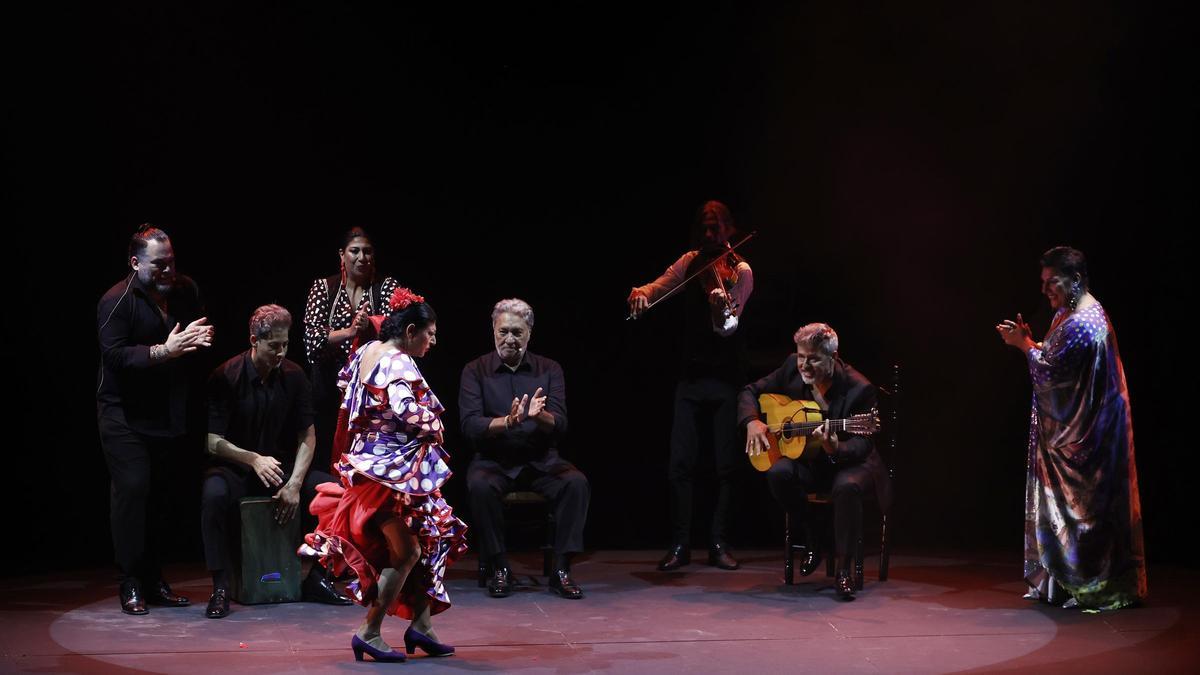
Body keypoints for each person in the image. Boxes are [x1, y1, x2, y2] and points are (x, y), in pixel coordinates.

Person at [303, 289, 467, 662]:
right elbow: (405, 408)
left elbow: (348, 391)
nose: (434, 340)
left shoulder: (366, 351)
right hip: (391, 474)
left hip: (373, 465)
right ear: (411, 330)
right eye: (430, 333)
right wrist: (432, 422)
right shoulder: (398, 362)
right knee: (408, 550)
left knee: (428, 538)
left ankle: (421, 626)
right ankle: (369, 631)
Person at [996, 246, 1147, 610]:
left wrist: (1023, 345)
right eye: (1044, 282)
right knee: (1078, 516)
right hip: (1087, 429)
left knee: (1087, 515)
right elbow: (1059, 359)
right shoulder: (1071, 310)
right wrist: (1035, 341)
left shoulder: (1083, 320)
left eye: (1053, 282)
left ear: (1076, 279)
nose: (1046, 289)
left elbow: (1051, 372)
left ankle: (1093, 588)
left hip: (1088, 437)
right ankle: (1064, 584)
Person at [201, 305, 352, 619]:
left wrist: (295, 483)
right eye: (274, 346)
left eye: (285, 344)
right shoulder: (226, 375)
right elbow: (212, 441)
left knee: (335, 493)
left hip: (281, 468)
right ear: (254, 340)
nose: (281, 352)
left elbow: (307, 436)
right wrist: (253, 459)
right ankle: (220, 585)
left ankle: (318, 576)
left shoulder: (295, 376)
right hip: (239, 467)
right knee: (213, 494)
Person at [627, 200, 752, 571]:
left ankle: (718, 542)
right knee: (680, 463)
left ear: (729, 229)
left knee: (725, 466)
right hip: (690, 378)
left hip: (726, 380)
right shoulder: (691, 260)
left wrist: (719, 310)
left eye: (717, 228)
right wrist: (642, 293)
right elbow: (660, 285)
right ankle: (680, 544)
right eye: (706, 228)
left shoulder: (741, 271)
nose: (711, 235)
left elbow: (729, 327)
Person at [96, 224, 213, 615]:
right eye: (159, 265)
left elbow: (192, 335)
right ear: (135, 263)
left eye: (172, 262)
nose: (168, 271)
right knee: (133, 489)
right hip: (123, 416)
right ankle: (129, 581)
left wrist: (196, 339)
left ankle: (153, 579)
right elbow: (114, 356)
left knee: (162, 498)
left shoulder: (184, 290)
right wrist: (164, 351)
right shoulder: (116, 301)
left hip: (166, 413)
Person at [740, 323, 891, 600]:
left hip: (850, 465)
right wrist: (752, 422)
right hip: (811, 464)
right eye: (800, 356)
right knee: (778, 473)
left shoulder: (860, 388)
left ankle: (843, 571)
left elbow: (863, 443)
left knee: (846, 487)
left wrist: (836, 447)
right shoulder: (790, 366)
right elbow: (750, 391)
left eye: (813, 359)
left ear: (832, 358)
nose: (803, 365)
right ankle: (813, 532)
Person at [460, 298, 589, 599]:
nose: (510, 339)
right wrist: (508, 421)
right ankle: (499, 566)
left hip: (540, 460)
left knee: (576, 483)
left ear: (529, 333)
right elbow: (470, 426)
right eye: (503, 331)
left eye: (517, 332)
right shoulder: (475, 370)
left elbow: (561, 424)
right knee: (479, 486)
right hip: (494, 461)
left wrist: (539, 416)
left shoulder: (550, 369)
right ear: (493, 330)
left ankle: (561, 569)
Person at [303, 227, 400, 472]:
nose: (361, 257)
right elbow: (312, 341)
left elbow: (397, 333)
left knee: (365, 462)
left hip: (371, 392)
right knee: (327, 458)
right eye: (354, 251)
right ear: (342, 254)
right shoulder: (324, 288)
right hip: (328, 389)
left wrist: (371, 325)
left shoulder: (386, 287)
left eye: (367, 252)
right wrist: (350, 332)